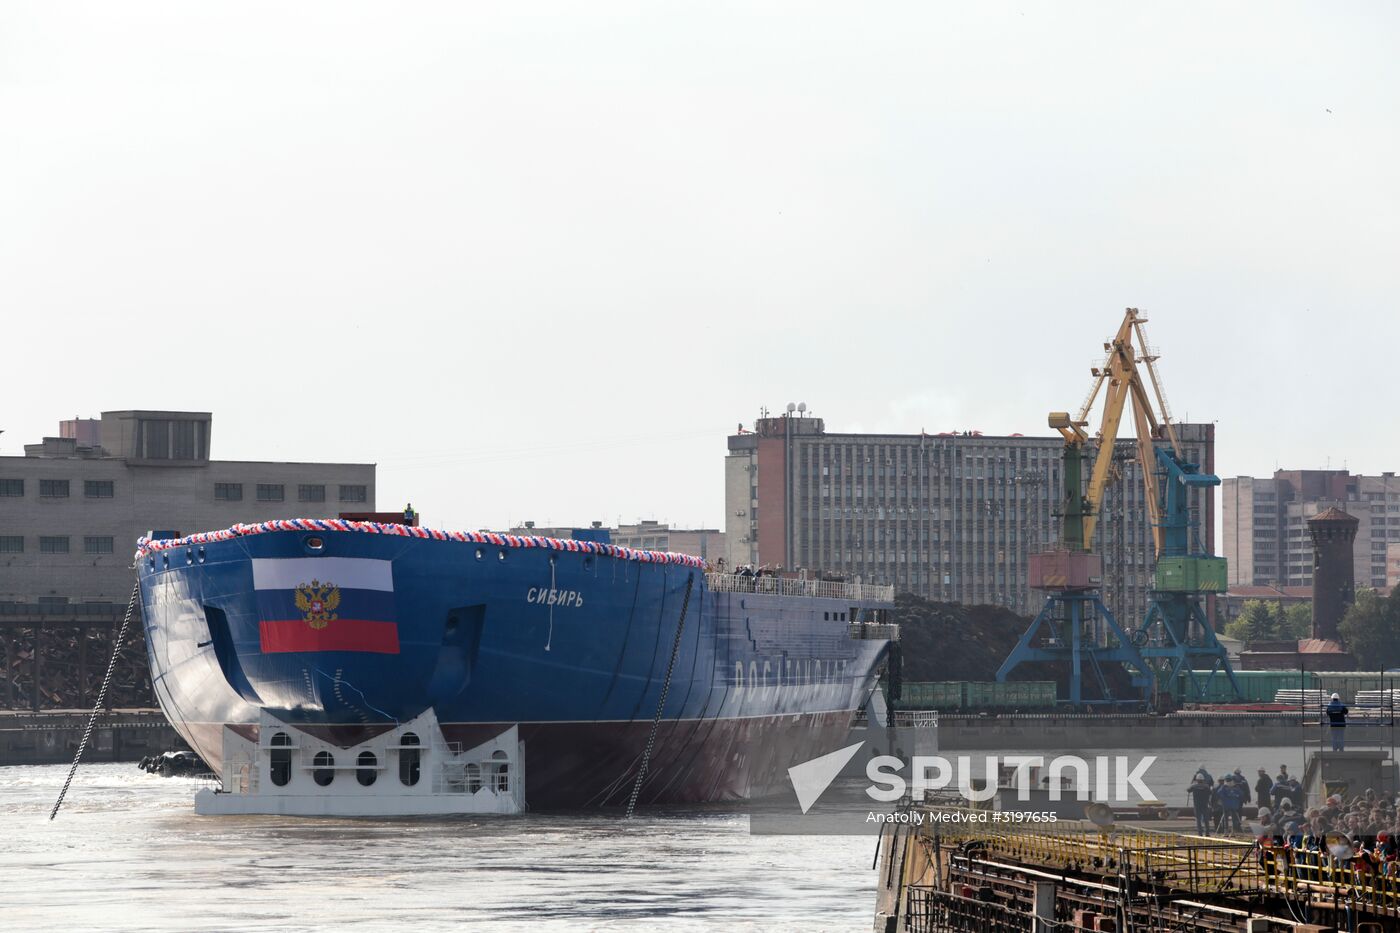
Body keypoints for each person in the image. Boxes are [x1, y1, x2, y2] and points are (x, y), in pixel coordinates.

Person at [1188, 770, 1214, 835]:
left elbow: (1188, 790)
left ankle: (1200, 833)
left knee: (1198, 819)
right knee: (1206, 819)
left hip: (1197, 805)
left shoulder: (1194, 786)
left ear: (1197, 779)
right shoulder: (1206, 786)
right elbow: (1211, 793)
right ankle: (1207, 832)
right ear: (1203, 780)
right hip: (1205, 804)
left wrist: (1193, 783)